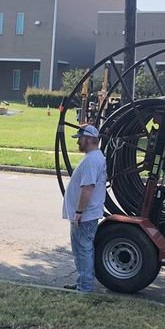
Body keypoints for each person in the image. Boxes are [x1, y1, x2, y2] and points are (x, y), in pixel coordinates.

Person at [62, 124, 106, 293]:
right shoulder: (95, 158)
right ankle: (83, 282)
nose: (78, 142)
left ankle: (85, 287)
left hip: (85, 215)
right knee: (83, 249)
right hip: (86, 214)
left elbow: (87, 188)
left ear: (88, 139)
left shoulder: (91, 161)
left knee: (83, 250)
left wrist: (79, 211)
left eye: (80, 139)